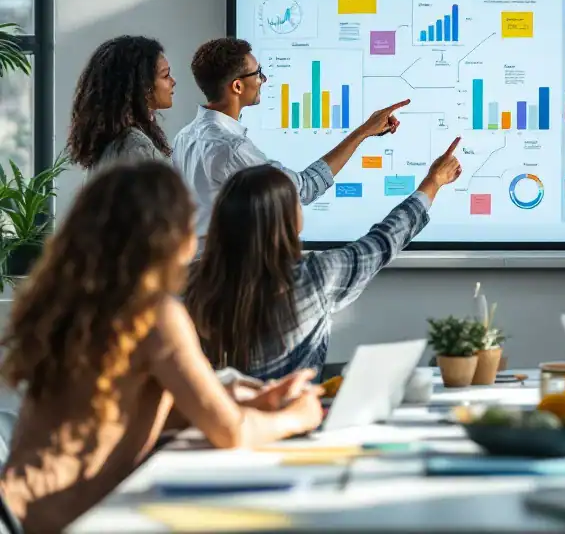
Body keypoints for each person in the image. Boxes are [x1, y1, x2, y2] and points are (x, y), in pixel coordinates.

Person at [0, 162, 323, 531]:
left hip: (19, 513)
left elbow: (117, 413)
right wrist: (300, 416)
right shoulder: (154, 314)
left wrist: (247, 400)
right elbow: (231, 433)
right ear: (173, 237)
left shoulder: (72, 307)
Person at [184, 138, 464, 380]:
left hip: (220, 419)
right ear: (288, 220)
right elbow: (384, 240)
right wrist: (433, 182)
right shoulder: (315, 276)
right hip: (294, 418)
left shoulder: (194, 284)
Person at [172, 37, 409, 241]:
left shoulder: (184, 137)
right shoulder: (232, 149)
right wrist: (363, 132)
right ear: (237, 86)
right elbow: (304, 189)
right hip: (227, 272)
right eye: (257, 73)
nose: (263, 79)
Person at [67, 36, 175, 172]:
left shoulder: (111, 144)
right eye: (165, 75)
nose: (173, 81)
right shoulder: (135, 148)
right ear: (143, 85)